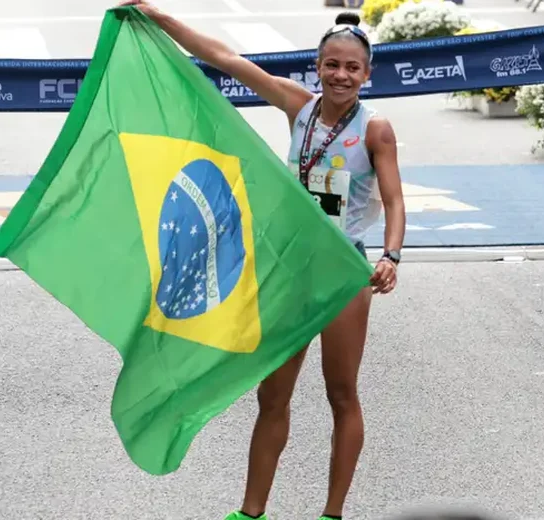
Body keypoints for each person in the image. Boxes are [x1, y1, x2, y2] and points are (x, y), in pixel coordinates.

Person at [116, 1, 408, 518]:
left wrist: (391, 255)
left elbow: (394, 201)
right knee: (272, 398)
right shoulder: (299, 106)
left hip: (344, 275)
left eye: (352, 68)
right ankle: (252, 513)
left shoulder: (375, 130)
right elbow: (227, 59)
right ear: (317, 68)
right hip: (291, 272)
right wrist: (160, 19)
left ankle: (332, 514)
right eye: (331, 65)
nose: (341, 75)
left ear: (367, 74)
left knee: (342, 395)